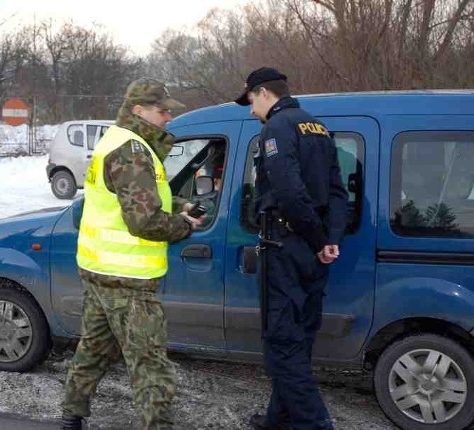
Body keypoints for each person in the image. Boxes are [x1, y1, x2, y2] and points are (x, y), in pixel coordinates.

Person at [60, 78, 204, 430]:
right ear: (138, 110)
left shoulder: (116, 140)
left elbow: (129, 196)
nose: (168, 117)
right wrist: (184, 226)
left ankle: (71, 416)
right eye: (162, 110)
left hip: (99, 270)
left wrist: (180, 205)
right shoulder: (134, 151)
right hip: (129, 282)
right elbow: (143, 221)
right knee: (149, 364)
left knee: (93, 349)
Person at [234, 67, 348, 430]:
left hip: (285, 246)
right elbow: (336, 194)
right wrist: (329, 239)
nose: (251, 110)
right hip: (312, 251)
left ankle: (316, 425)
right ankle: (278, 419)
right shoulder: (318, 128)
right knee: (299, 338)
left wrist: (318, 240)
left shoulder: (277, 129)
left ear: (265, 93)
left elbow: (288, 192)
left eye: (251, 101)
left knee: (281, 344)